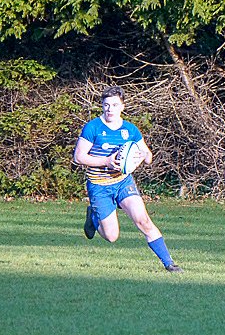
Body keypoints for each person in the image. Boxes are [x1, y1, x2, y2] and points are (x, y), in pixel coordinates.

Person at [73, 86, 182, 273]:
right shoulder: (93, 127)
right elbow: (78, 157)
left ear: (122, 106)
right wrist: (106, 161)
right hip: (99, 186)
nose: (110, 109)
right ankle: (93, 216)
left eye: (115, 105)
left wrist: (142, 156)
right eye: (106, 105)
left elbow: (148, 156)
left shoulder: (130, 129)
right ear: (102, 106)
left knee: (143, 220)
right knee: (111, 236)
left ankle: (169, 263)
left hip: (123, 183)